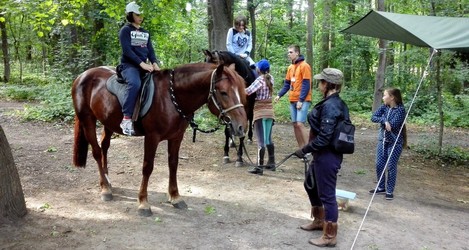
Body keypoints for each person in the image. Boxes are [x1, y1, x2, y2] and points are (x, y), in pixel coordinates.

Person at [293, 68, 348, 247]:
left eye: (321, 82)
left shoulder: (332, 106)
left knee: (327, 195)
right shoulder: (330, 102)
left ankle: (330, 236)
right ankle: (319, 220)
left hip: (327, 156)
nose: (318, 84)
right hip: (321, 155)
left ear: (328, 84)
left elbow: (325, 137)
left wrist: (305, 149)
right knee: (310, 185)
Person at [118, 1, 160, 136]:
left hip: (145, 66)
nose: (140, 17)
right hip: (129, 66)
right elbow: (127, 51)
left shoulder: (145, 32)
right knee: (135, 84)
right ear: (130, 15)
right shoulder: (125, 30)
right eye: (137, 14)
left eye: (141, 14)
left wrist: (155, 63)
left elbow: (150, 50)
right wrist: (141, 64)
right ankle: (126, 119)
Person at [369, 88, 407, 200]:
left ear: (392, 97)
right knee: (379, 164)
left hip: (394, 142)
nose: (383, 97)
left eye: (385, 95)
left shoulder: (400, 110)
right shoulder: (384, 107)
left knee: (391, 166)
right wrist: (384, 121)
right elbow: (373, 117)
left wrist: (386, 123)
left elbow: (393, 125)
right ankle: (381, 187)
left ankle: (389, 191)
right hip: (382, 140)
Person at [274, 45, 312, 149]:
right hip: (292, 100)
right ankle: (301, 149)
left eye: (291, 52)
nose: (289, 54)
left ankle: (310, 148)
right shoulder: (290, 68)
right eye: (288, 52)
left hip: (302, 100)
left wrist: (301, 100)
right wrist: (279, 95)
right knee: (295, 125)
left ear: (297, 53)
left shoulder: (305, 66)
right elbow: (287, 84)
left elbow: (306, 84)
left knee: (300, 124)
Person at [244, 59, 276, 175]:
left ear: (259, 69)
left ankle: (259, 167)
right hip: (270, 112)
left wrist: (237, 89)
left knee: (261, 141)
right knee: (268, 138)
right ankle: (271, 163)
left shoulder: (259, 80)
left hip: (260, 112)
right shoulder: (270, 78)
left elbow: (248, 91)